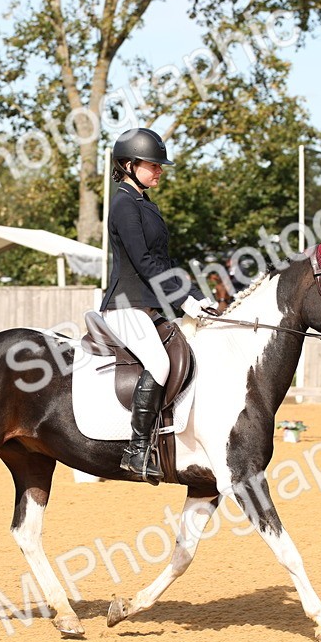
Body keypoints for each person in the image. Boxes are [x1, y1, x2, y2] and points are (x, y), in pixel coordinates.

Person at [100, 127, 214, 484]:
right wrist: (184, 300)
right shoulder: (121, 204)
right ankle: (136, 451)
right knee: (159, 363)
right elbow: (144, 262)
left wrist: (196, 296)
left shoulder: (145, 204)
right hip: (125, 305)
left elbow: (163, 262)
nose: (160, 170)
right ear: (129, 164)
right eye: (153, 164)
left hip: (150, 306)